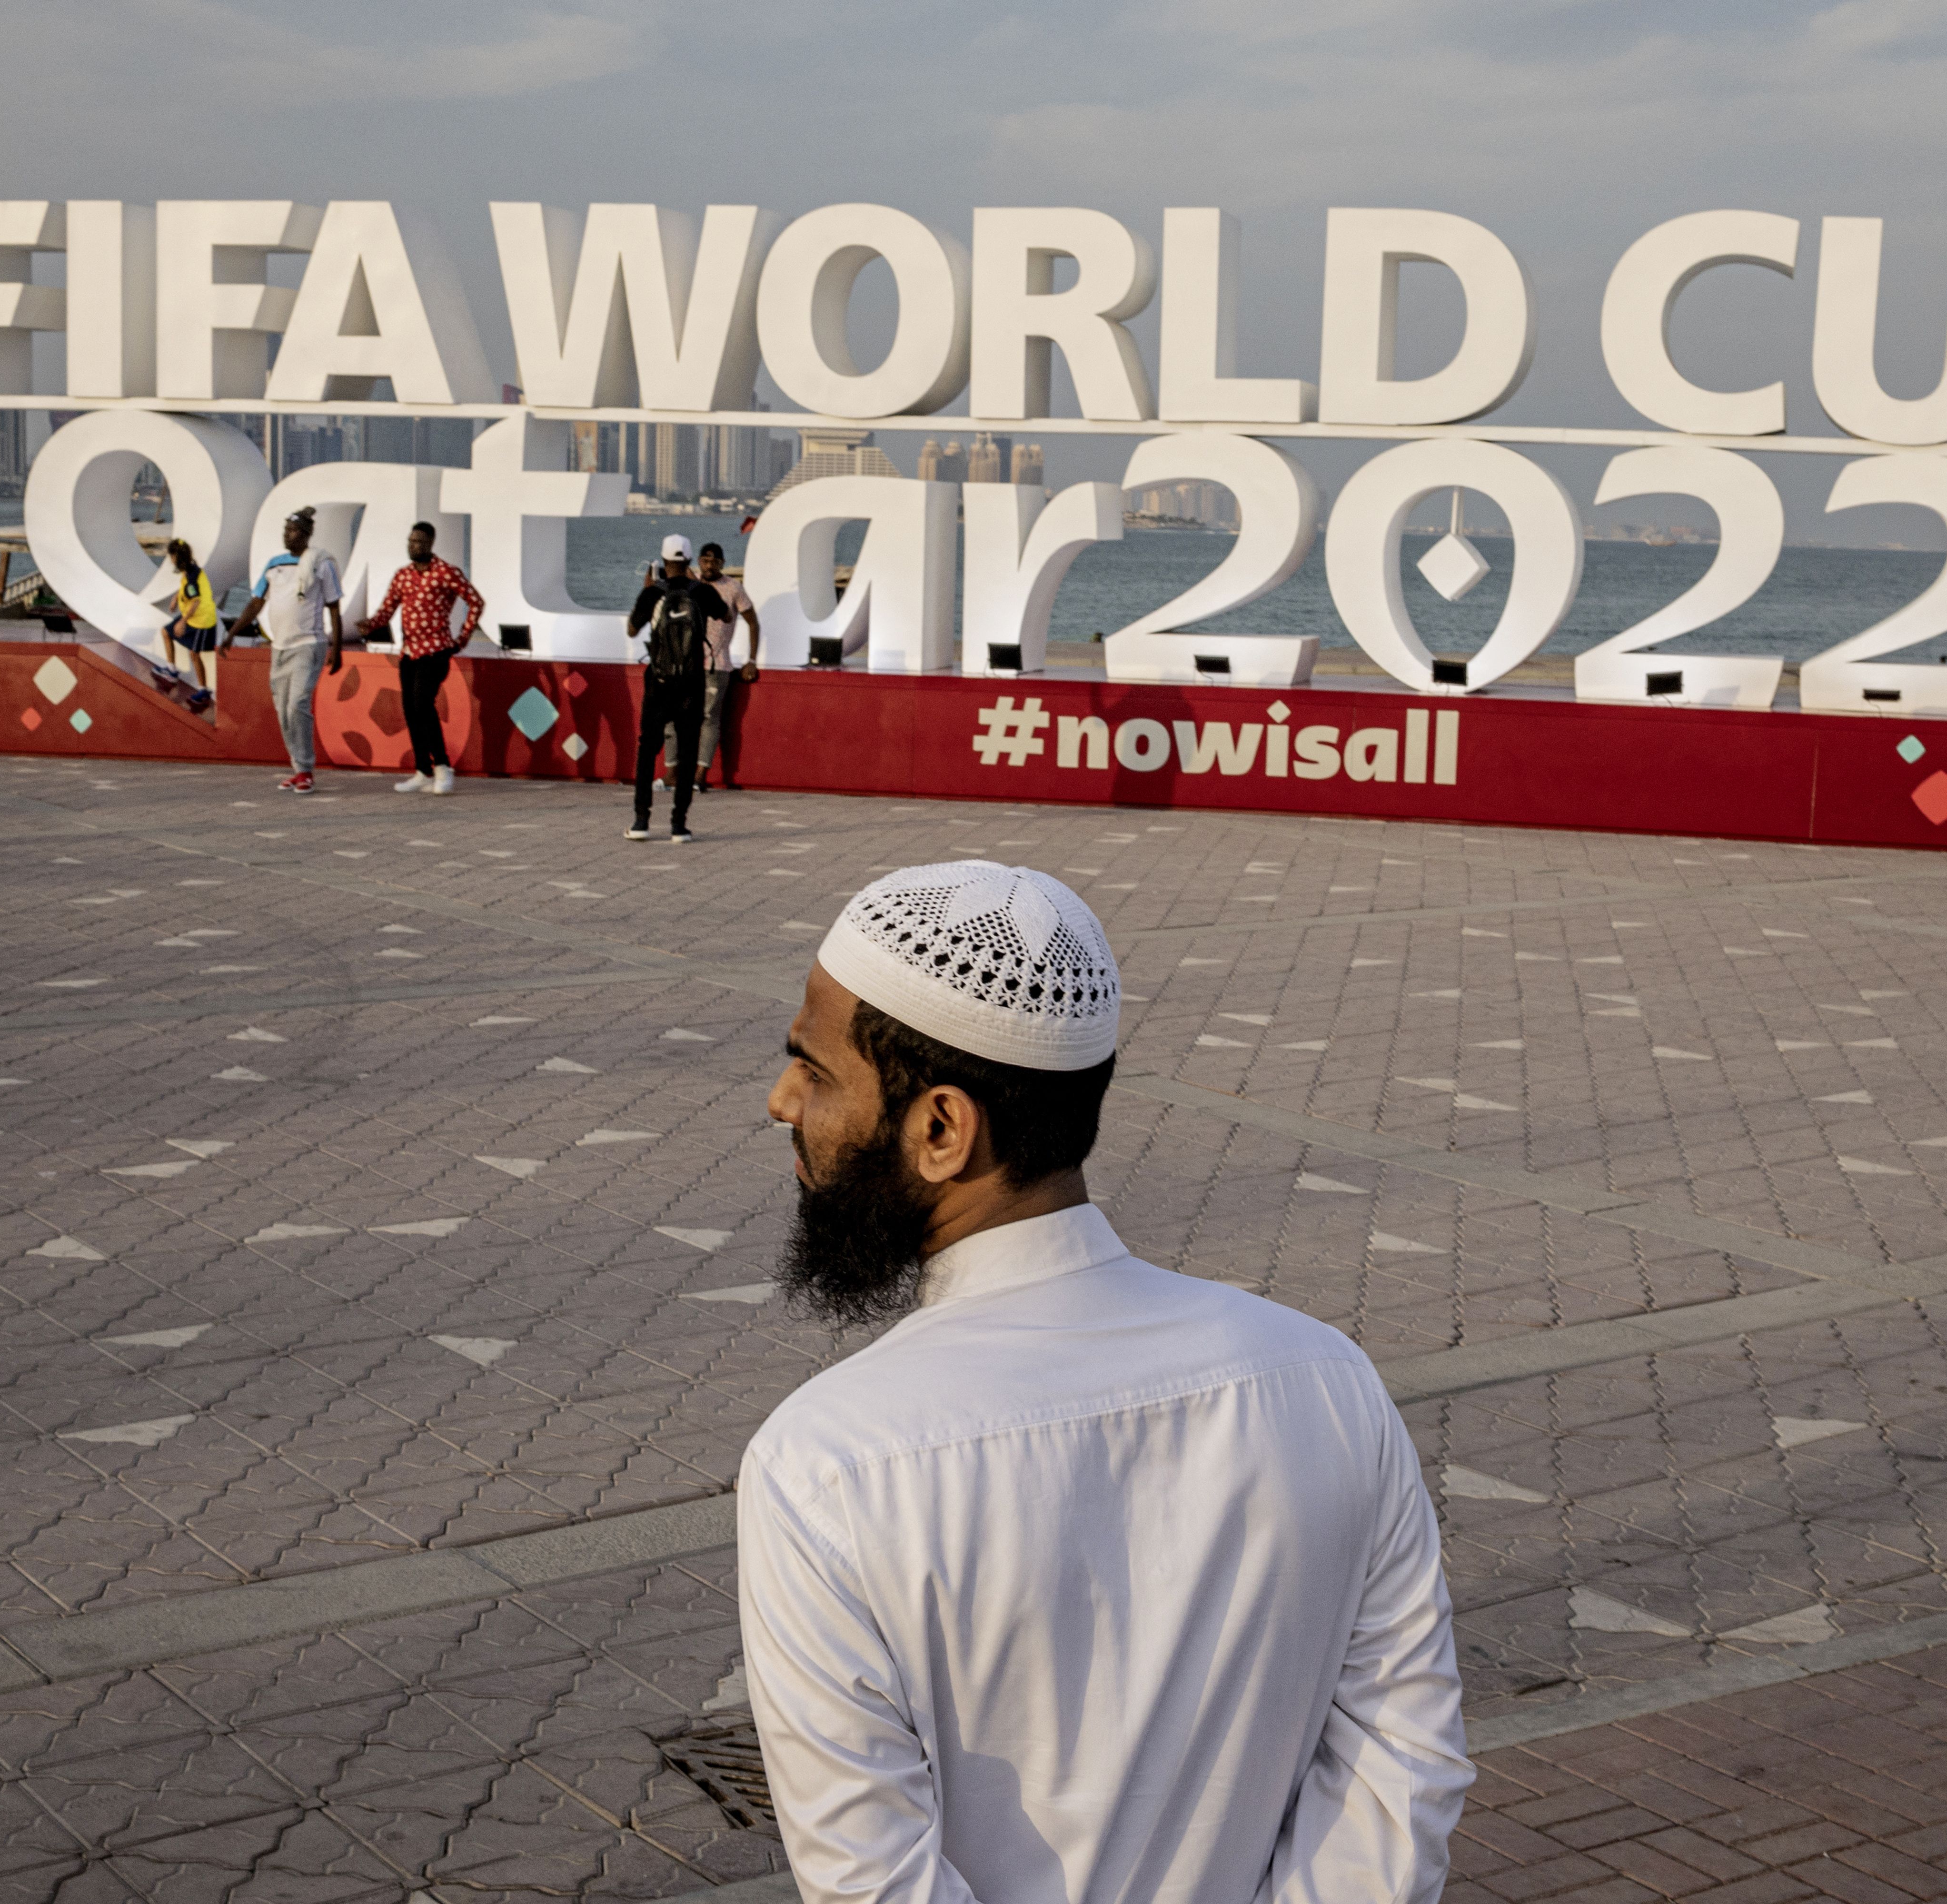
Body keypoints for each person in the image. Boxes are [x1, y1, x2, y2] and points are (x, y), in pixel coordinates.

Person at [743, 862, 1470, 1903]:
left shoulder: (826, 1465)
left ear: (942, 1129)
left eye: (813, 1069)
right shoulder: (1328, 1383)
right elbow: (1401, 1770)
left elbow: (875, 1885)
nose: (782, 1102)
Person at [356, 521, 484, 795]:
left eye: (419, 542)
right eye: (411, 541)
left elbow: (476, 602)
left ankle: (443, 767)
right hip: (409, 653)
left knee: (423, 704)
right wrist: (371, 624)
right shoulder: (403, 576)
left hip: (436, 651)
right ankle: (422, 771)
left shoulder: (446, 573)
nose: (413, 546)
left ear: (430, 544)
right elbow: (387, 609)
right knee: (412, 711)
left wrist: (462, 639)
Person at [226, 506, 344, 796]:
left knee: (298, 704)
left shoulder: (321, 564)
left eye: (292, 532)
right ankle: (298, 768)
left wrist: (337, 649)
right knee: (283, 711)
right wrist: (231, 634)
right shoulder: (274, 564)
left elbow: (335, 608)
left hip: (309, 644)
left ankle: (306, 770)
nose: (287, 536)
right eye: (285, 531)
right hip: (279, 648)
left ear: (305, 535)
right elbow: (256, 603)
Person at [624, 533, 730, 842]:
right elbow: (727, 615)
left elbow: (632, 630)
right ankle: (678, 825)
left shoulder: (653, 593)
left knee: (648, 750)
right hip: (692, 683)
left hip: (659, 684)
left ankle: (642, 821)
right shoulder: (701, 592)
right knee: (687, 750)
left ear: (664, 561)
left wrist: (647, 592)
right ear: (688, 560)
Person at [693, 540, 760, 792]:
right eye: (706, 560)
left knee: (710, 718)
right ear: (699, 561)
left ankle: (700, 776)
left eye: (715, 561)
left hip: (718, 665)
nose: (710, 565)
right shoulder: (691, 584)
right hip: (688, 666)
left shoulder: (733, 588)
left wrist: (751, 661)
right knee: (685, 717)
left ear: (722, 563)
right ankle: (676, 774)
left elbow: (753, 623)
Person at [159, 538, 219, 709]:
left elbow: (196, 601)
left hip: (202, 621)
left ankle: (204, 691)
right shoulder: (190, 569)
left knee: (195, 654)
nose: (170, 559)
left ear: (177, 557)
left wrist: (183, 622)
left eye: (171, 556)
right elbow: (187, 589)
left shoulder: (192, 576)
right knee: (166, 632)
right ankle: (171, 670)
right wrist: (176, 597)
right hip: (192, 616)